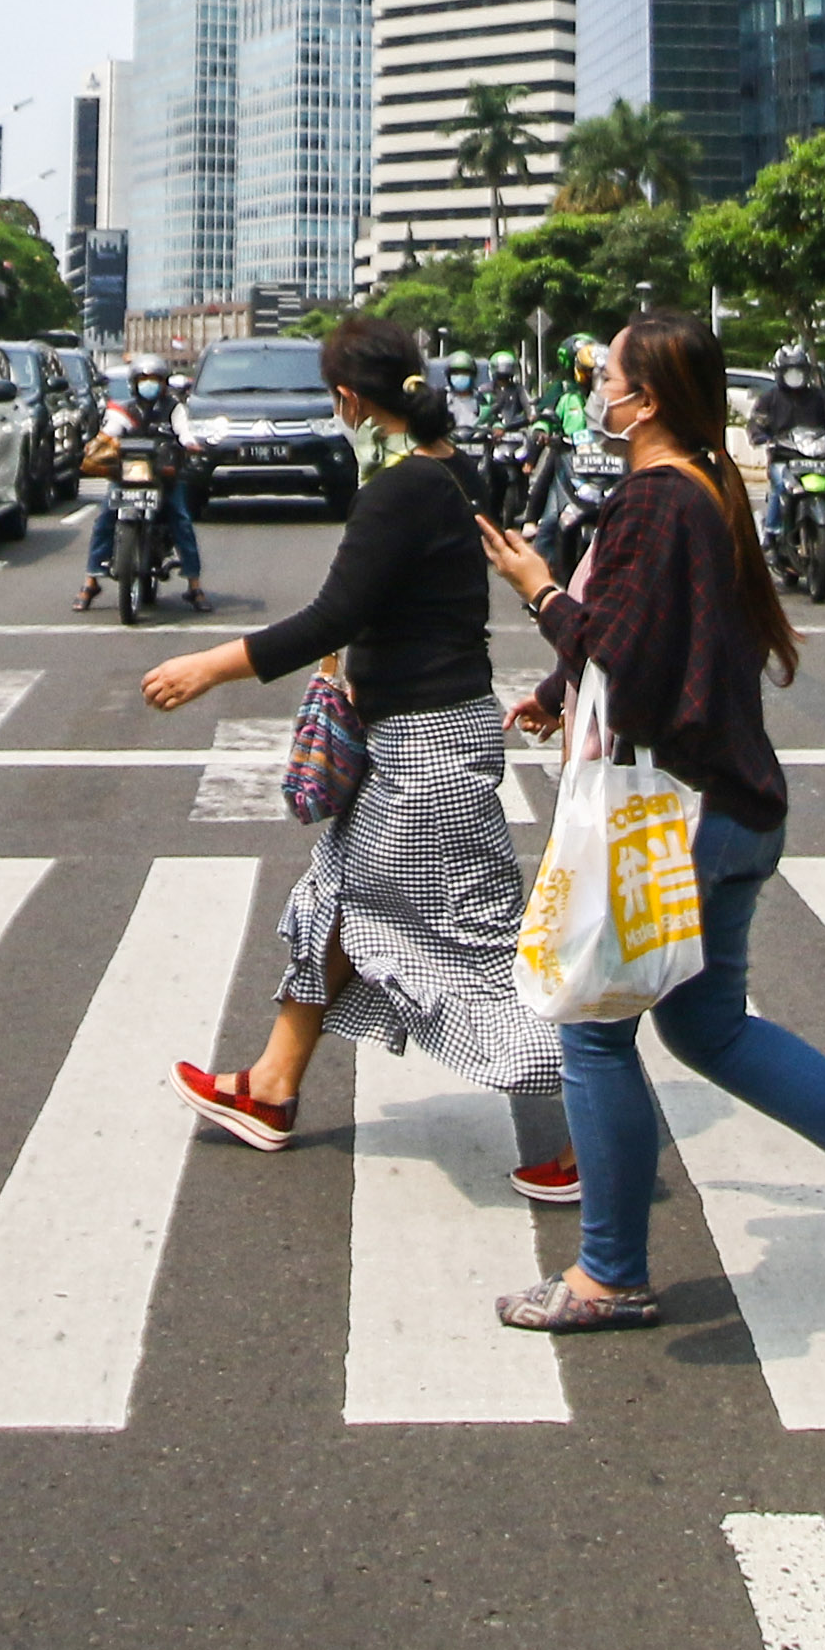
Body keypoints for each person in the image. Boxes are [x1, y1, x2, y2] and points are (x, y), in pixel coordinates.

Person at [477, 308, 825, 1331]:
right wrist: (560, 685)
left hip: (675, 814)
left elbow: (626, 649)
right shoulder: (708, 488)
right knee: (708, 1027)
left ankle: (609, 1273)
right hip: (732, 808)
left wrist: (537, 591)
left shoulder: (658, 500)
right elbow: (654, 640)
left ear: (645, 397)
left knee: (594, 1028)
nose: (593, 390)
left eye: (605, 374)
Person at [141, 315, 571, 1194]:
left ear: (346, 398)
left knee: (475, 948)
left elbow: (331, 615)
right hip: (415, 733)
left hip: (428, 746)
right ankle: (271, 1087)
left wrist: (209, 668)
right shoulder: (449, 469)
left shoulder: (400, 490)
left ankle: (568, 1140)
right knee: (335, 900)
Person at [74, 371, 205, 610]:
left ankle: (194, 585)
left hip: (165, 476)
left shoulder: (173, 408)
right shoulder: (123, 410)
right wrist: (96, 445)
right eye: (143, 380)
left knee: (181, 518)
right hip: (128, 476)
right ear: (134, 384)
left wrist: (190, 444)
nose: (149, 385)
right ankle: (90, 581)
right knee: (105, 518)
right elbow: (110, 432)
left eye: (154, 380)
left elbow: (184, 432)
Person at [743, 342, 825, 540]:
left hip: (817, 460)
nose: (794, 376)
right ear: (779, 372)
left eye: (798, 371)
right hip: (783, 460)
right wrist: (761, 437)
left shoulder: (819, 398)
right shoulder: (769, 399)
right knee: (780, 488)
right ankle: (772, 533)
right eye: (789, 371)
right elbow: (756, 423)